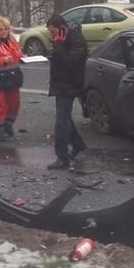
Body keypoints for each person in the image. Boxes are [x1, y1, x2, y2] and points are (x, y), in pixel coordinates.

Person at [45, 13, 88, 169]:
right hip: (61, 83)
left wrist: (59, 45)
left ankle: (62, 157)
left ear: (62, 28)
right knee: (65, 119)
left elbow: (71, 62)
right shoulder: (61, 39)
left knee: (61, 122)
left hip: (70, 85)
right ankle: (78, 144)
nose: (51, 35)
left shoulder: (76, 40)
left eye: (53, 31)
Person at [0, 15, 23, 142]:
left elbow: (17, 54)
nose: (4, 32)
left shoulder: (12, 41)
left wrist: (22, 57)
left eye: (6, 29)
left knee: (14, 104)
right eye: (1, 30)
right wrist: (3, 60)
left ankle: (8, 125)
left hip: (12, 77)